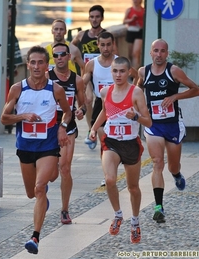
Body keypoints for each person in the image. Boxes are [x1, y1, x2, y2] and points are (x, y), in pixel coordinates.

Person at [1, 46, 72, 254]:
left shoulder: (56, 90)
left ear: (46, 65)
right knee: (32, 193)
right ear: (27, 64)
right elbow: (4, 118)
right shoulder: (17, 89)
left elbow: (67, 113)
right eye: (32, 62)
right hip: (25, 146)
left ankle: (35, 237)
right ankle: (44, 189)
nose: (36, 66)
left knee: (40, 187)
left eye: (40, 62)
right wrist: (23, 116)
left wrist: (62, 127)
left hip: (47, 146)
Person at [136, 39, 199, 223]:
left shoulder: (174, 71)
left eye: (162, 51)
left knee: (173, 165)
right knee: (157, 162)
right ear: (150, 53)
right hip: (153, 124)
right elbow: (137, 89)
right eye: (155, 50)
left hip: (172, 124)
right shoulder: (143, 71)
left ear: (167, 53)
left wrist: (175, 97)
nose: (159, 54)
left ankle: (176, 174)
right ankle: (159, 207)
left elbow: (196, 90)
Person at [89, 56, 152, 244]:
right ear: (111, 72)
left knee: (133, 187)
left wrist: (135, 117)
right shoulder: (105, 91)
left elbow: (148, 121)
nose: (118, 75)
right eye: (115, 71)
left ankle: (135, 221)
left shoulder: (136, 93)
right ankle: (118, 215)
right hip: (111, 142)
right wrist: (93, 128)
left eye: (122, 71)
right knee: (109, 180)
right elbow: (105, 111)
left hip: (131, 143)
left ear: (129, 72)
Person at [84, 32, 137, 186]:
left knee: (121, 138)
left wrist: (133, 90)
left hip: (121, 103)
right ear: (98, 45)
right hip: (101, 103)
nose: (106, 48)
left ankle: (123, 165)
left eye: (109, 44)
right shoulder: (92, 64)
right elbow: (84, 80)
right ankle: (108, 173)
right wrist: (87, 91)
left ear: (113, 44)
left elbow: (136, 76)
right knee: (104, 140)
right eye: (103, 45)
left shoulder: (119, 63)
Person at [46, 43, 85, 224]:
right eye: (56, 55)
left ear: (69, 57)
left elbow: (83, 104)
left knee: (65, 168)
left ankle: (64, 209)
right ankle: (42, 188)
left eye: (63, 54)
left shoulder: (77, 80)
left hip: (68, 127)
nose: (59, 57)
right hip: (49, 127)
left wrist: (81, 111)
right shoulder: (47, 77)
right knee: (51, 172)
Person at [71, 5, 117, 149]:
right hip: (87, 73)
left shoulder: (106, 36)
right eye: (92, 17)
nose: (94, 19)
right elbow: (70, 49)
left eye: (97, 16)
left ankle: (95, 129)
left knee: (98, 100)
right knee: (88, 100)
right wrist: (78, 61)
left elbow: (117, 55)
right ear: (89, 18)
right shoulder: (81, 35)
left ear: (102, 18)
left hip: (100, 73)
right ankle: (92, 129)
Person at [6, 2, 23, 134]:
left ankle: (8, 123)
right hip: (5, 75)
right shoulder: (7, 35)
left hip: (7, 75)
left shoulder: (11, 36)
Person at [123, 0, 145, 70]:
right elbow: (124, 21)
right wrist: (131, 19)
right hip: (130, 31)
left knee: (135, 53)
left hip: (139, 32)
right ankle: (131, 70)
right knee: (130, 54)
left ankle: (135, 72)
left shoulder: (144, 10)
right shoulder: (129, 10)